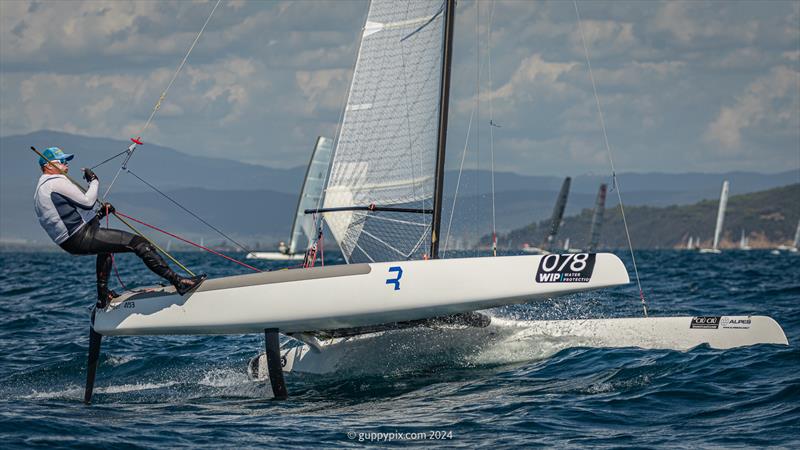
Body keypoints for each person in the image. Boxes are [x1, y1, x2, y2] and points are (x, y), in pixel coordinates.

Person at [33, 147, 205, 308]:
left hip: (72, 241)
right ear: (47, 165)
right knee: (139, 243)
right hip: (81, 237)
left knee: (106, 248)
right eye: (61, 160)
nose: (66, 163)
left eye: (66, 160)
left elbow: (69, 220)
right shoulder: (55, 182)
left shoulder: (41, 189)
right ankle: (179, 283)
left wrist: (100, 214)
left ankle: (103, 297)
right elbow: (87, 202)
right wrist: (94, 181)